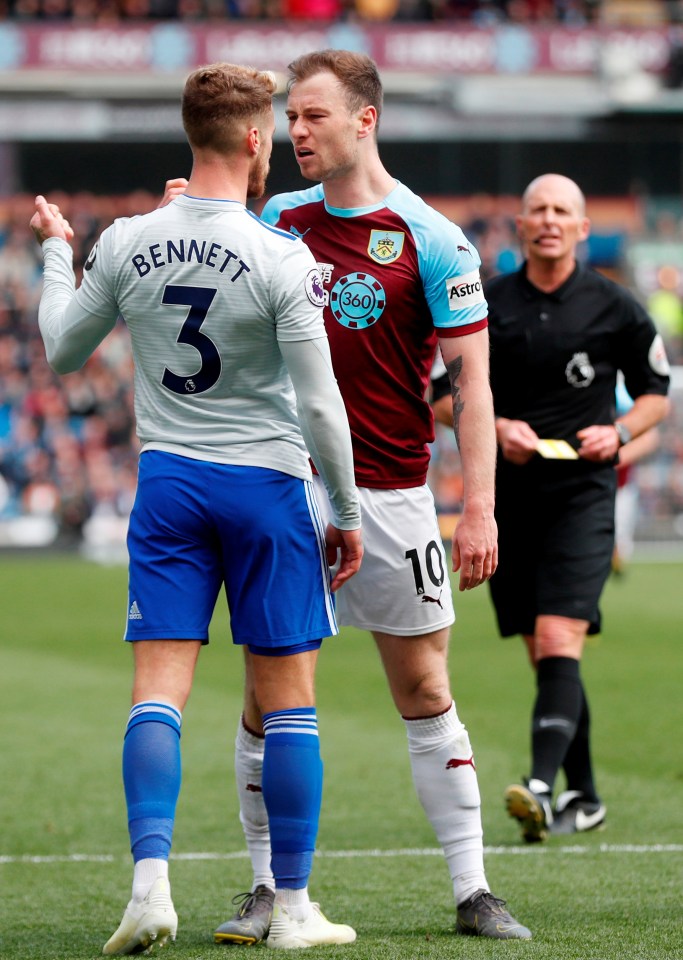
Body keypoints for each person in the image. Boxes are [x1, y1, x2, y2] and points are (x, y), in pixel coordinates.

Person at [30, 61, 363, 954]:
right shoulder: (281, 257)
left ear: (190, 132)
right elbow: (322, 405)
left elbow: (62, 350)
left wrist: (58, 250)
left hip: (169, 481)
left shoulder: (130, 239)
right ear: (256, 140)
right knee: (288, 703)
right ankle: (292, 909)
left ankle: (148, 891)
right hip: (265, 486)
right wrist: (349, 510)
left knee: (157, 696)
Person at [208, 48, 531, 943]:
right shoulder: (276, 218)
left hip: (393, 497)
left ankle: (472, 889)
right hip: (286, 491)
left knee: (425, 686)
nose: (295, 132)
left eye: (312, 116)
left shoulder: (432, 237)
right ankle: (269, 889)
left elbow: (472, 385)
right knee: (270, 697)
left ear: (364, 120)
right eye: (290, 119)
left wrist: (477, 506)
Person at [484, 173, 670, 842]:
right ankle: (584, 796)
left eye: (562, 210)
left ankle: (538, 784)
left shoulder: (614, 307)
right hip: (508, 498)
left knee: (561, 637)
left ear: (582, 227)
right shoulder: (488, 303)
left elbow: (656, 393)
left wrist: (618, 433)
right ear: (520, 224)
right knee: (545, 654)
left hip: (583, 496)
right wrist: (497, 427)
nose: (549, 220)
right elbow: (443, 398)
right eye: (537, 209)